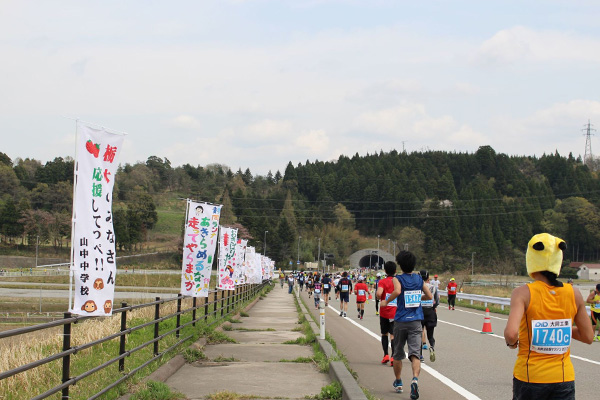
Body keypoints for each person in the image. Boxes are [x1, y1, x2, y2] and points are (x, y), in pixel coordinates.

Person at [505, 233, 594, 400]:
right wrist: (559, 327)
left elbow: (511, 334)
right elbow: (588, 336)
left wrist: (512, 343)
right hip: (563, 377)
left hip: (530, 376)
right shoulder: (573, 293)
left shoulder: (523, 293)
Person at [380, 250, 433, 399]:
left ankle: (398, 382)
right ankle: (415, 379)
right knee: (415, 354)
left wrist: (386, 302)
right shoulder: (418, 279)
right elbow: (429, 296)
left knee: (397, 354)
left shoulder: (398, 279)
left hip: (401, 321)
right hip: (416, 321)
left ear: (400, 265)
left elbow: (397, 291)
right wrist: (418, 297)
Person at [376, 261, 397, 366]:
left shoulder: (382, 282)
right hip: (395, 312)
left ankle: (386, 355)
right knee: (393, 335)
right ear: (395, 271)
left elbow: (379, 293)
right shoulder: (397, 282)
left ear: (385, 271)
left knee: (384, 333)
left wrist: (379, 297)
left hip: (384, 312)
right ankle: (393, 356)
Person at [419, 270, 437, 363]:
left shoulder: (418, 287)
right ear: (428, 277)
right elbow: (437, 300)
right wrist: (433, 307)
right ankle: (432, 347)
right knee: (431, 334)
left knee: (419, 332)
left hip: (420, 311)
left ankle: (421, 355)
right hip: (430, 311)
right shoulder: (433, 287)